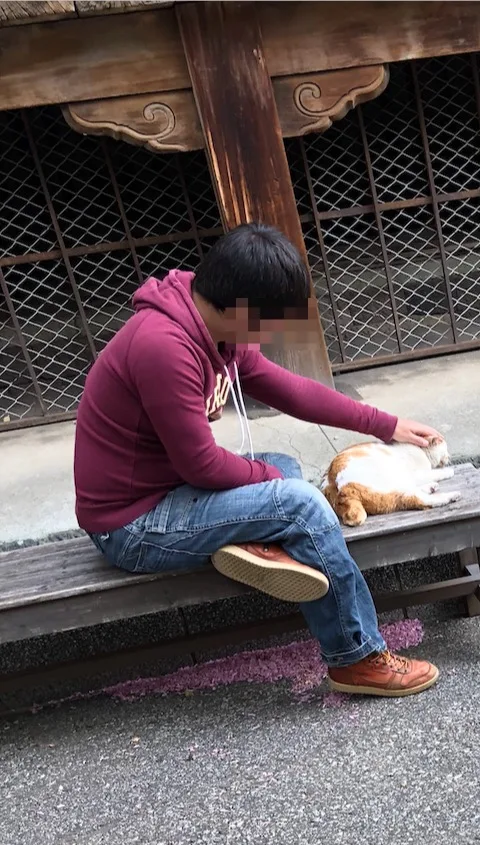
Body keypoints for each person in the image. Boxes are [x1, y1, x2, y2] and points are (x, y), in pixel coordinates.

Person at [74, 222, 442, 697]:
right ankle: (358, 658)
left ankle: (258, 545)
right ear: (241, 307)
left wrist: (385, 423)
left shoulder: (211, 322)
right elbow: (202, 467)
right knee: (300, 502)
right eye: (273, 320)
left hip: (168, 491)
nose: (275, 333)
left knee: (284, 468)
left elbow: (291, 391)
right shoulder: (164, 347)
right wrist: (274, 486)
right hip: (131, 525)